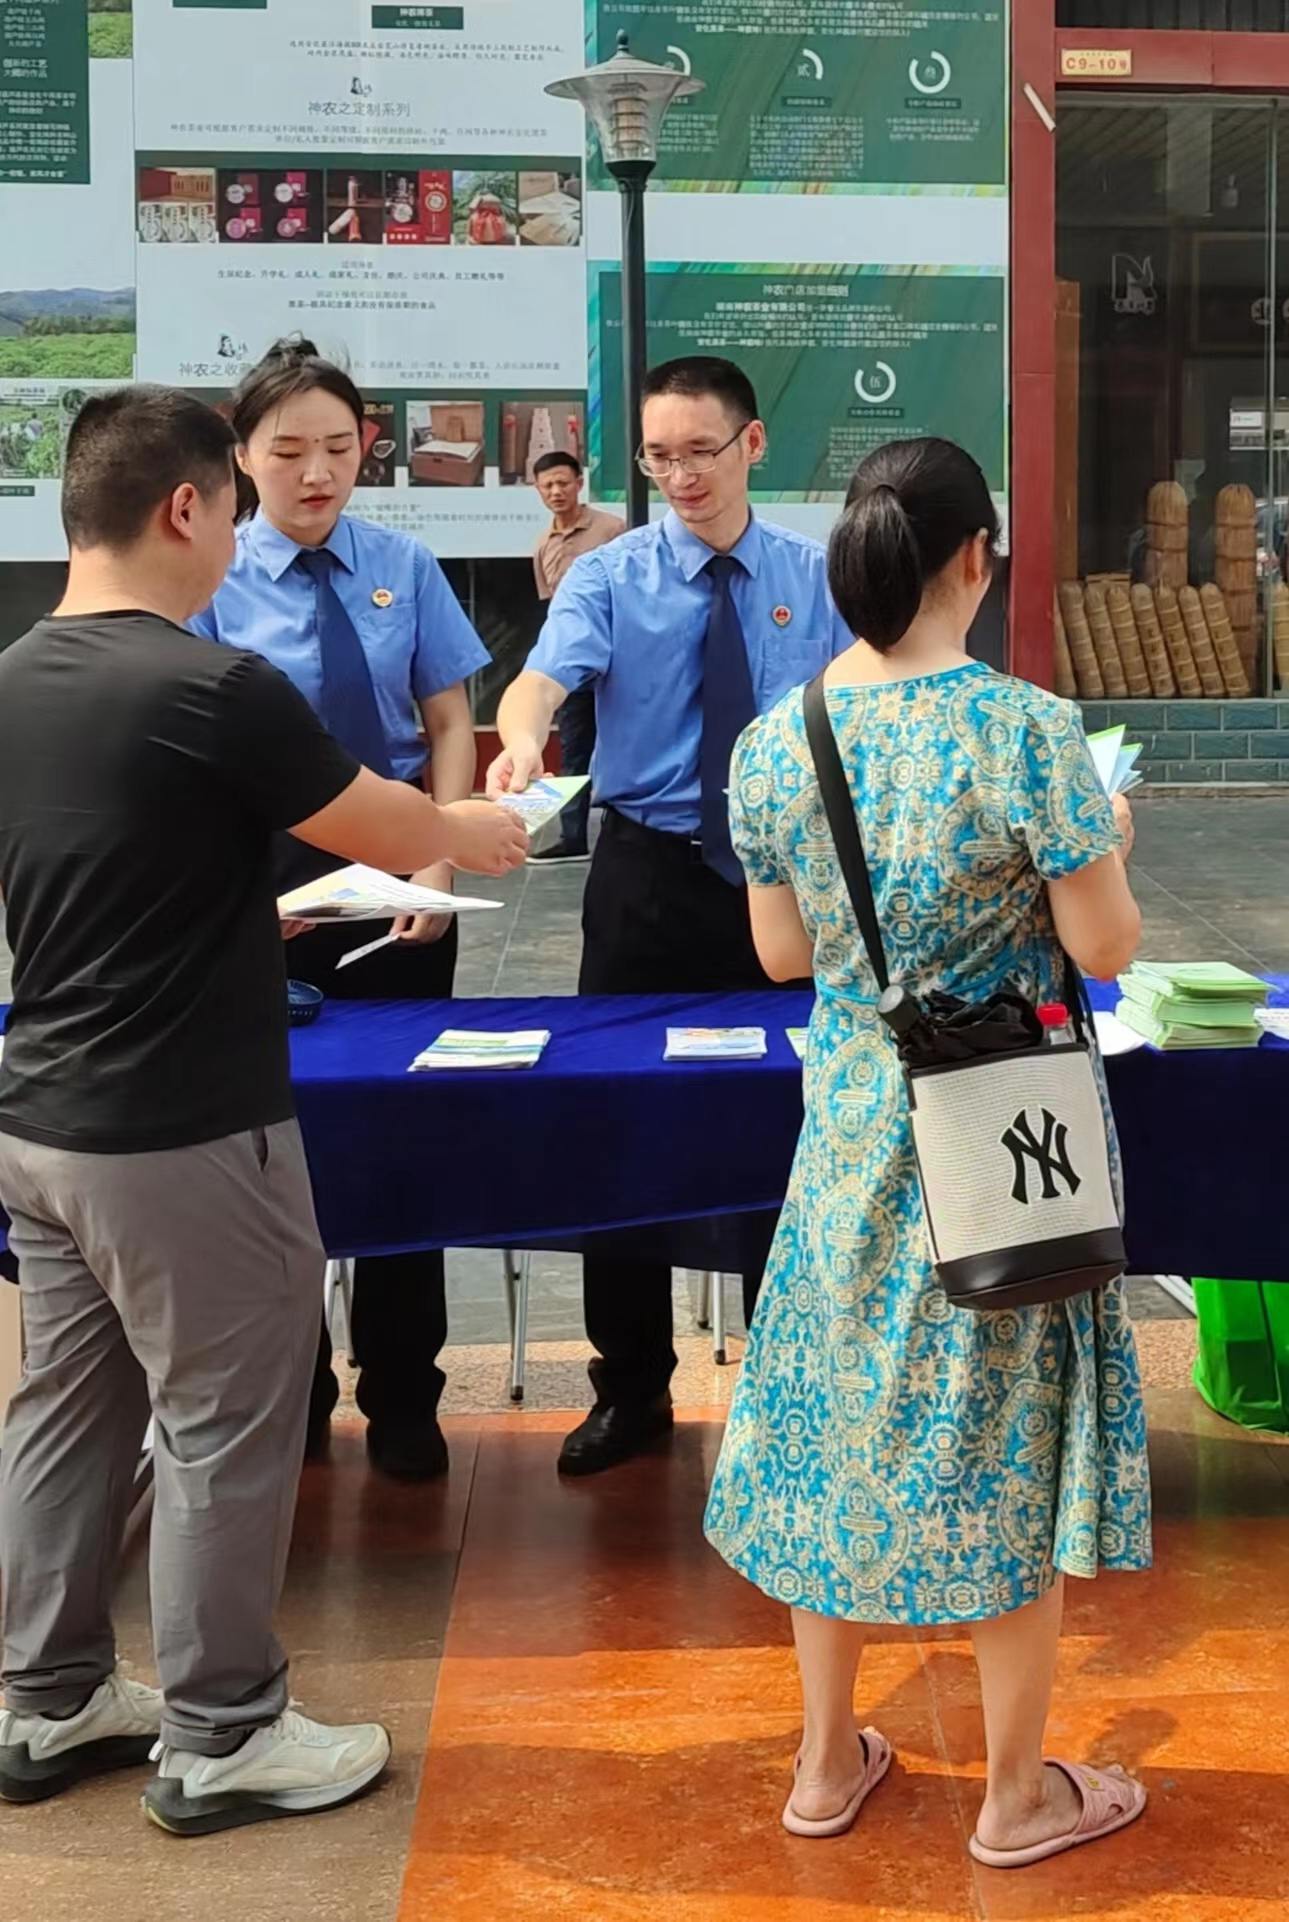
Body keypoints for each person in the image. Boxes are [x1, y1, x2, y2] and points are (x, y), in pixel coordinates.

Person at [0, 386, 526, 1834]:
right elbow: (401, 823)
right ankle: (222, 1729)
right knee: (224, 1421)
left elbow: (117, 877)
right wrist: (478, 826)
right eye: (236, 496)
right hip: (184, 1124)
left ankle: (43, 1697)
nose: (243, 527)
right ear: (186, 507)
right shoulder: (207, 685)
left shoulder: (16, 677)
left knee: (67, 1410)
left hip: (42, 1118)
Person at [704, 437, 1152, 1867]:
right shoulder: (1025, 729)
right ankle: (1016, 1796)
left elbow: (781, 951)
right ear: (978, 554)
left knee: (835, 1421)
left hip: (847, 1129)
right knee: (1004, 1432)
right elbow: (1104, 944)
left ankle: (826, 1762)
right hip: (999, 1133)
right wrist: (1110, 837)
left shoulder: (780, 739)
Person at [488, 355, 852, 1477]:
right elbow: (542, 680)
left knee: (793, 1119)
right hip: (644, 876)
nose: (681, 475)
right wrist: (519, 733)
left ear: (750, 445)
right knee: (621, 1120)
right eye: (658, 456)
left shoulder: (816, 575)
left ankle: (792, 1386)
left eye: (702, 451)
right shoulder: (611, 575)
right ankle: (629, 1382)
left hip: (782, 880)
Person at [191, 337, 489, 1484]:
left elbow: (450, 721)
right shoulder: (211, 581)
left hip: (405, 880)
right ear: (242, 454)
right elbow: (204, 755)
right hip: (271, 889)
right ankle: (296, 1386)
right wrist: (232, 893)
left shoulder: (401, 563)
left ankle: (406, 1391)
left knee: (408, 1135)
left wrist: (441, 862)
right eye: (289, 451)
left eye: (337, 447)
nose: (317, 472)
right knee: (274, 1151)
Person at [528, 449, 624, 865]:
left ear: (579, 483)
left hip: (621, 659)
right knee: (574, 747)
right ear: (537, 490)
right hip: (573, 667)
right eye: (547, 485)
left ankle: (631, 828)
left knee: (627, 739)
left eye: (563, 482)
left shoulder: (611, 529)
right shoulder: (543, 544)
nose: (556, 491)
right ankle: (571, 835)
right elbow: (550, 608)